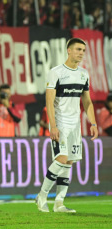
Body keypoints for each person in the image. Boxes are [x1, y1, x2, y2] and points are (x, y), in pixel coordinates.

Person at [36, 38, 98, 213]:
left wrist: (93, 123)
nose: (81, 53)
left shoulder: (83, 74)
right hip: (60, 122)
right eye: (78, 49)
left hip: (75, 124)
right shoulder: (56, 72)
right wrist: (53, 126)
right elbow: (49, 101)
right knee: (61, 159)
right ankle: (41, 196)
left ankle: (59, 203)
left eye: (83, 50)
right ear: (68, 50)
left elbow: (87, 101)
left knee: (69, 161)